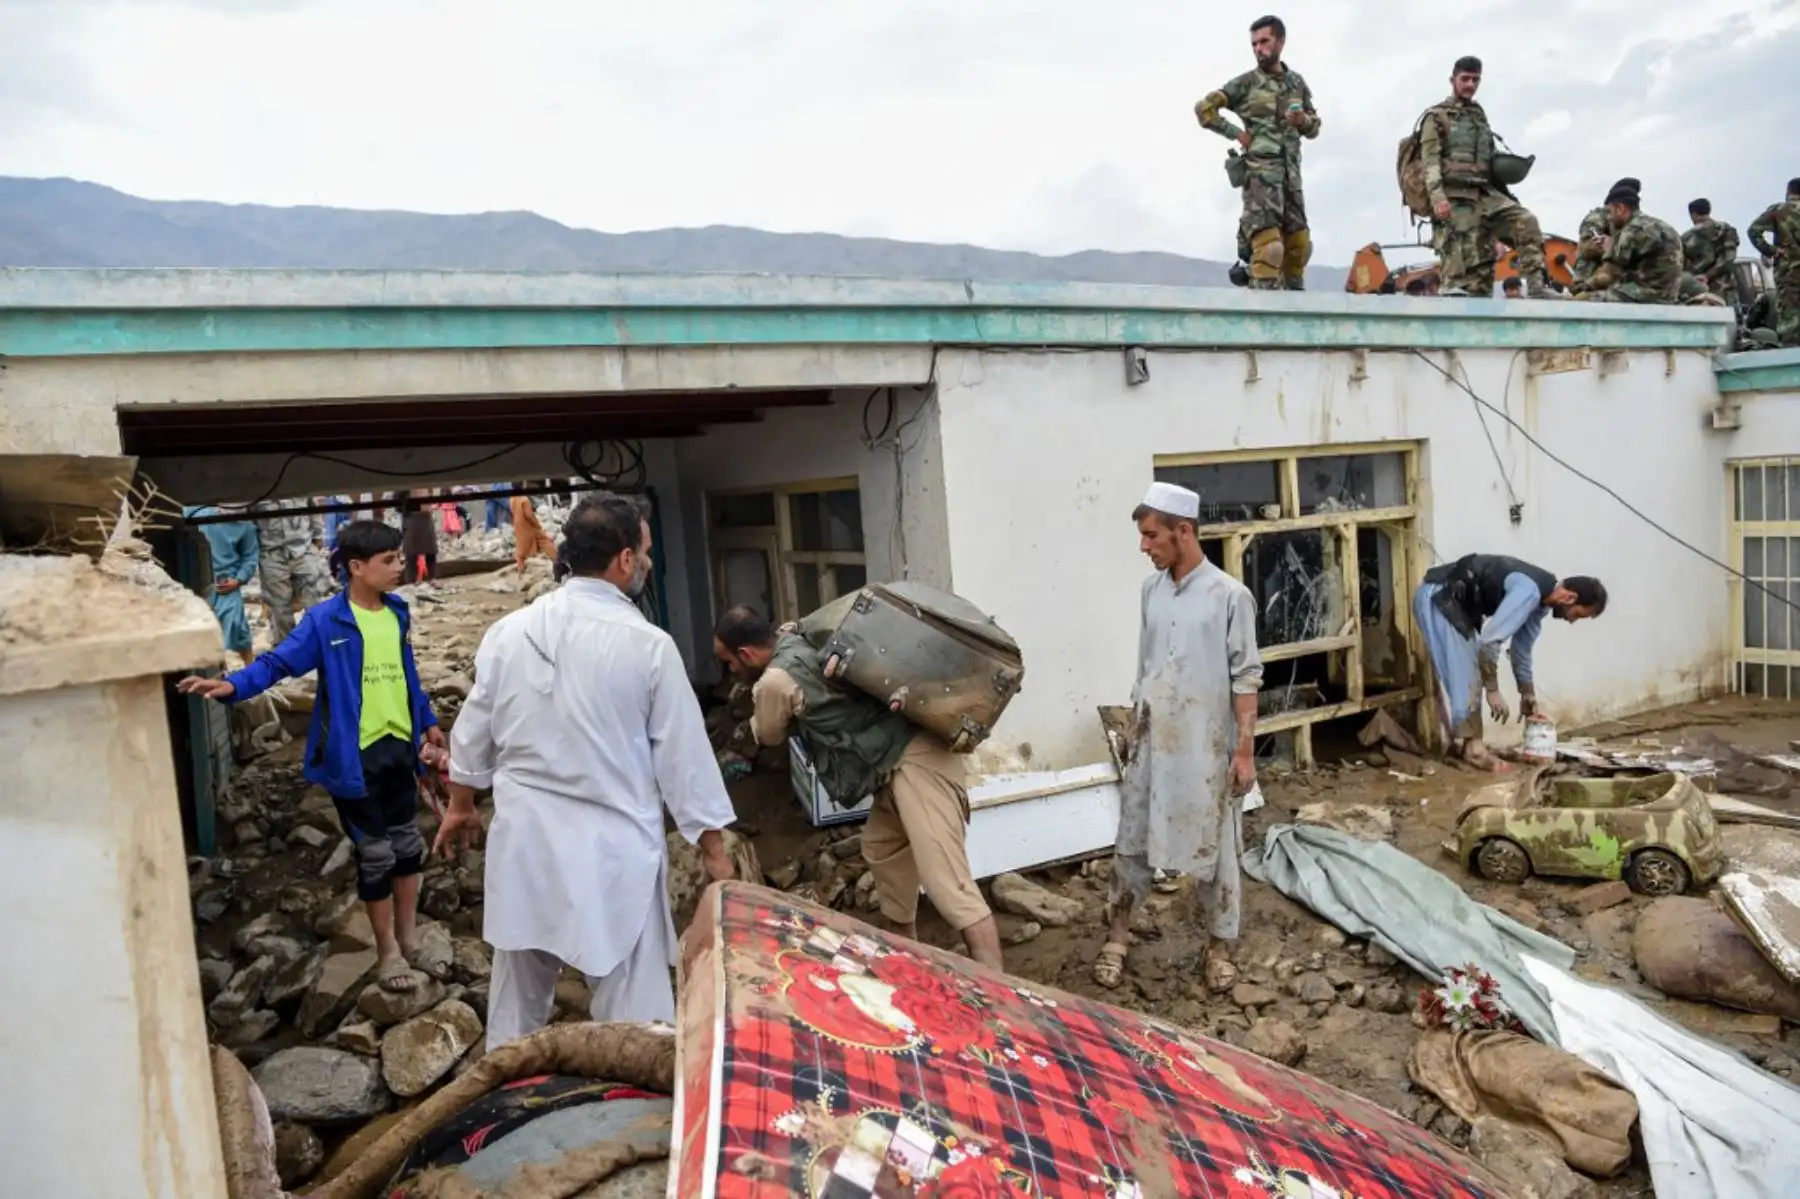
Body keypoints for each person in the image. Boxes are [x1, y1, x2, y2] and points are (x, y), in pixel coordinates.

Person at [434, 494, 737, 1047]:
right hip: (613, 854)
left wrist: (460, 806)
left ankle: (500, 1114)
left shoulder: (511, 633)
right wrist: (715, 854)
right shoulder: (648, 645)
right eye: (643, 553)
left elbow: (473, 734)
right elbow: (684, 760)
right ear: (624, 559)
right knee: (635, 1020)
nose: (645, 563)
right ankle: (637, 1116)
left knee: (516, 1012)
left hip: (526, 848)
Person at [179, 521, 446, 991]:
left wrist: (427, 720)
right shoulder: (326, 621)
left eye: (399, 557)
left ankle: (410, 939)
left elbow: (407, 675)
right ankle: (387, 953)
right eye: (389, 560)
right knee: (377, 854)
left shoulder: (398, 613)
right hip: (353, 757)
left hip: (398, 750)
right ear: (356, 568)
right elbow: (278, 662)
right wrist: (232, 686)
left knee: (407, 846)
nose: (398, 566)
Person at [713, 606, 1005, 970]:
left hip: (918, 760)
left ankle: (998, 992)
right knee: (882, 847)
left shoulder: (775, 680)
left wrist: (741, 737)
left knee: (948, 885)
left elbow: (769, 731)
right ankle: (905, 956)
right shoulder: (796, 636)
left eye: (729, 662)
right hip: (895, 762)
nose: (732, 672)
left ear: (745, 653)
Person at [1092, 483, 1263, 993]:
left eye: (1151, 536)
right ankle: (1118, 937)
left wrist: (1243, 752)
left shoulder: (1230, 596)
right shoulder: (1151, 591)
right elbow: (1145, 664)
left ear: (1182, 531)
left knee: (1217, 849)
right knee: (1133, 838)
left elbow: (1247, 679)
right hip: (1152, 740)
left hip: (1206, 747)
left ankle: (1218, 946)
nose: (1144, 547)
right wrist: (1132, 724)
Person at [1412, 553, 1606, 771]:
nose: (1572, 621)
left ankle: (1469, 744)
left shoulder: (1539, 603)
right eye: (1578, 615)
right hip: (1440, 597)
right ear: (1570, 598)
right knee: (1467, 670)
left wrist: (1527, 693)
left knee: (1469, 665)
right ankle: (1473, 749)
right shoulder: (1529, 592)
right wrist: (1492, 689)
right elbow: (1490, 643)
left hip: (1455, 603)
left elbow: (1521, 650)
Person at [1196, 15, 1321, 291]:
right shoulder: (1245, 84)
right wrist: (1236, 133)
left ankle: (1295, 319)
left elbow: (1314, 128)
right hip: (1261, 180)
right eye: (1254, 44)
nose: (1258, 49)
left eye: (1264, 41)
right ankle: (1261, 320)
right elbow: (1204, 110)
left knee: (1298, 249)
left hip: (1292, 181)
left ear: (1280, 41)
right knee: (1269, 250)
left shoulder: (1296, 84)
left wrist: (1303, 122)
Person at [1418, 56, 1556, 299]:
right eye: (1465, 79)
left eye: (1475, 80)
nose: (1470, 84)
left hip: (1486, 194)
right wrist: (1438, 198)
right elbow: (1430, 163)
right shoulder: (1437, 117)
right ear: (1453, 80)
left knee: (1526, 220)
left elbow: (1489, 161)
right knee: (1467, 276)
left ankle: (1536, 285)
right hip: (1455, 197)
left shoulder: (1478, 115)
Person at [1573, 185, 1684, 304]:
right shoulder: (1663, 226)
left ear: (1620, 209)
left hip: (1644, 296)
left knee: (1583, 300)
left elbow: (1607, 275)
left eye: (1609, 212)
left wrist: (1583, 288)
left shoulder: (1632, 230)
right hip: (1669, 296)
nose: (1609, 218)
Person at [184, 504, 261, 663]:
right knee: (202, 634)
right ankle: (218, 672)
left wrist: (238, 580)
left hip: (225, 584)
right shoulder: (197, 513)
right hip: (196, 582)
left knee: (237, 629)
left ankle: (251, 671)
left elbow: (250, 558)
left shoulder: (246, 527)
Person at [256, 498, 332, 640]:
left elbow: (313, 508)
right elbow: (248, 521)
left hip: (303, 549)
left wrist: (318, 536)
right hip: (271, 553)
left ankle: (320, 643)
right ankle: (286, 649)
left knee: (314, 600)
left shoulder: (298, 481)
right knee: (279, 607)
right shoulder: (259, 488)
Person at [1750, 179, 1800, 347]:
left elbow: (1753, 231)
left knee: (1790, 320)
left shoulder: (1778, 210)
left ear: (1788, 192)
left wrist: (1771, 251)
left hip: (1789, 273)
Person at [1571, 177, 1640, 292]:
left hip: (1617, 282)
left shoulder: (1633, 220)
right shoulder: (1597, 218)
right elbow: (1587, 246)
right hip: (1589, 279)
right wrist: (1618, 244)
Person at [1682, 198, 1741, 301]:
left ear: (1693, 214)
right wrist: (1708, 276)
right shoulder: (1726, 229)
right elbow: (1729, 259)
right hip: (1726, 289)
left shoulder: (1686, 237)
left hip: (1699, 291)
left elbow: (1681, 267)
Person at [511, 490, 557, 571]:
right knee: (544, 540)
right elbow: (529, 515)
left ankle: (521, 571)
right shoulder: (523, 499)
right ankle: (556, 560)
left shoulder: (512, 498)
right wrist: (537, 524)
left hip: (518, 525)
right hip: (528, 525)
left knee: (521, 550)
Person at [401, 491, 438, 585]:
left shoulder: (427, 486)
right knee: (411, 554)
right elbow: (399, 504)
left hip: (426, 518)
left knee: (430, 552)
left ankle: (432, 577)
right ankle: (411, 580)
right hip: (411, 518)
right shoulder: (404, 489)